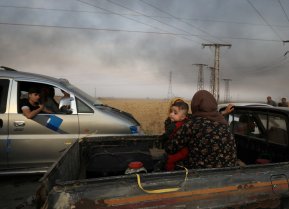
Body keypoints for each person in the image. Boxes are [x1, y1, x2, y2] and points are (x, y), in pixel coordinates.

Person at [165, 90, 237, 169]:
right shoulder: (224, 124)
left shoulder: (192, 124)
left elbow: (170, 148)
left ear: (195, 105)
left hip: (202, 174)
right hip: (228, 171)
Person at [164, 101, 189, 171]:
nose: (171, 114)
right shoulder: (173, 123)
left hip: (183, 150)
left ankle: (171, 174)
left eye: (175, 113)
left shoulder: (179, 125)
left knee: (170, 160)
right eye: (171, 112)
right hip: (177, 148)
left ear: (183, 117)